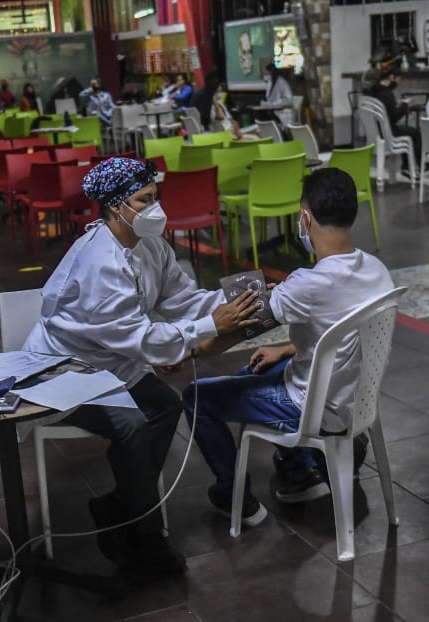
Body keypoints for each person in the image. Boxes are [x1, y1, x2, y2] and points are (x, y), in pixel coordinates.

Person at [22, 157, 260, 582]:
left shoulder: (150, 245)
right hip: (65, 370)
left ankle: (120, 506)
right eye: (144, 199)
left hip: (111, 362)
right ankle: (147, 539)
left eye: (155, 197)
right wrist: (210, 326)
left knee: (165, 407)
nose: (156, 208)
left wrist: (233, 305)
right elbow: (142, 340)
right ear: (117, 207)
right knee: (132, 425)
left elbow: (182, 299)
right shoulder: (101, 262)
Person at [182, 168, 395, 527]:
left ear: (305, 217)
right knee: (259, 369)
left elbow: (240, 329)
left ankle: (234, 496)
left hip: (313, 406)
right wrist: (286, 350)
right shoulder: (376, 269)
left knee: (196, 397)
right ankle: (300, 475)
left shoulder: (308, 283)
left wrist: (188, 352)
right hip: (356, 397)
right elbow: (341, 334)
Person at [367, 64, 421, 179]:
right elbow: (395, 117)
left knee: (406, 131)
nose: (398, 81)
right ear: (392, 77)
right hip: (388, 133)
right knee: (414, 133)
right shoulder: (387, 94)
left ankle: (407, 166)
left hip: (376, 133)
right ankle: (417, 166)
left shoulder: (373, 92)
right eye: (397, 78)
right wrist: (404, 105)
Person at [262, 63, 293, 128]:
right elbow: (269, 98)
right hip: (274, 112)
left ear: (272, 72)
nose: (265, 76)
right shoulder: (270, 83)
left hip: (284, 113)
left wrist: (276, 103)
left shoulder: (281, 82)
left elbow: (288, 100)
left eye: (267, 73)